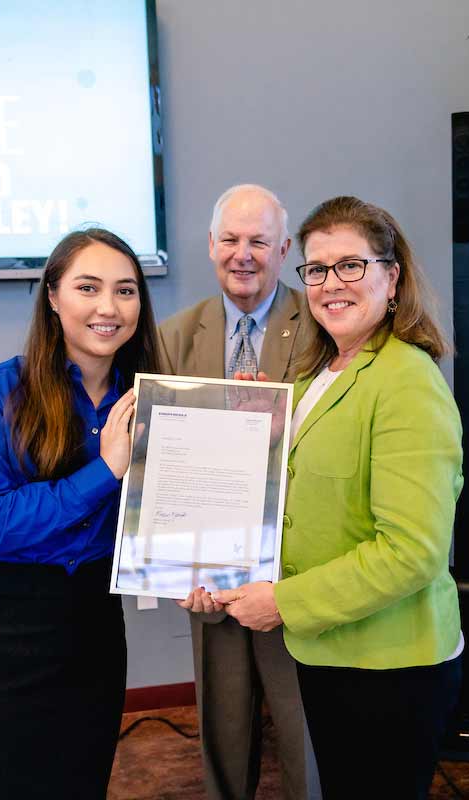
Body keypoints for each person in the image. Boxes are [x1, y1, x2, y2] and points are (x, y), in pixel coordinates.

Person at [214, 196, 464, 799]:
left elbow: (412, 552)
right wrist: (257, 429)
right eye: (317, 269)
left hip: (391, 664)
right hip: (330, 650)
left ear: (392, 275)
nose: (331, 284)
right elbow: (302, 497)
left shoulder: (406, 380)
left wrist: (283, 602)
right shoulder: (315, 373)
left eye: (351, 265)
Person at [0, 228, 159, 799]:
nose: (109, 308)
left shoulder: (154, 401)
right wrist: (104, 470)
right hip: (4, 639)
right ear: (53, 297)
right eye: (88, 287)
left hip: (94, 631)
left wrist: (243, 426)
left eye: (126, 291)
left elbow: (175, 516)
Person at [157, 184, 315, 800]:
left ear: (283, 248)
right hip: (210, 563)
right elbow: (162, 459)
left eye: (258, 241)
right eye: (230, 240)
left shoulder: (320, 325)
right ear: (210, 247)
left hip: (295, 560)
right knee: (223, 719)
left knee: (302, 718)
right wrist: (174, 565)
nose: (242, 254)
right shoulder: (175, 335)